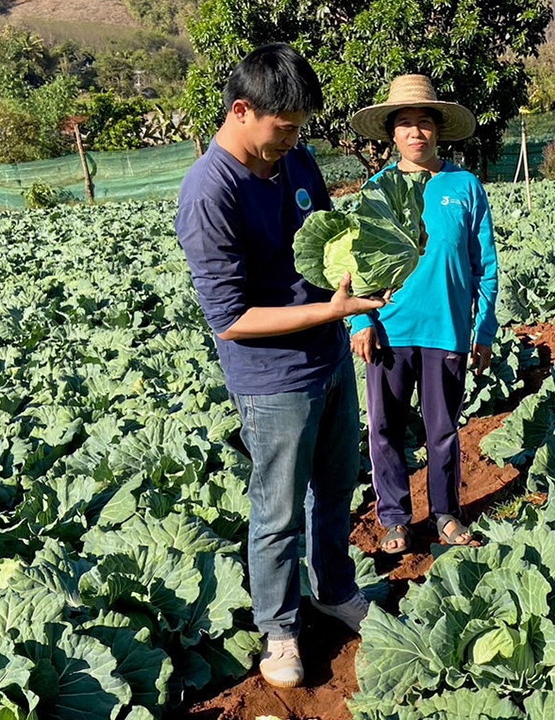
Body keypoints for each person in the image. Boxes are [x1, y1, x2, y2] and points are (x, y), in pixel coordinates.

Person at [175, 43, 384, 690]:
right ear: (242, 110)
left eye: (298, 128)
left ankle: (336, 590)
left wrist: (360, 301)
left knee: (335, 491)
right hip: (272, 381)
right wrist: (332, 314)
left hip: (325, 362)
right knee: (277, 510)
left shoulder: (295, 161)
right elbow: (231, 319)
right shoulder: (208, 195)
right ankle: (280, 627)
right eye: (283, 126)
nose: (292, 139)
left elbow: (326, 248)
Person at [348, 75, 499, 554]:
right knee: (386, 428)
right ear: (392, 134)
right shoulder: (377, 188)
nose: (416, 133)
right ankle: (394, 518)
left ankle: (445, 514)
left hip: (447, 329)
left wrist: (485, 327)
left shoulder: (464, 186)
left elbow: (485, 263)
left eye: (424, 123)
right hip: (390, 330)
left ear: (438, 131)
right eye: (406, 124)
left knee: (442, 430)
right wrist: (359, 320)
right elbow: (356, 264)